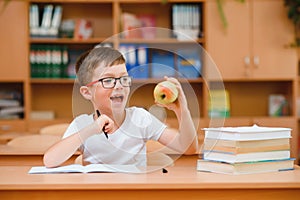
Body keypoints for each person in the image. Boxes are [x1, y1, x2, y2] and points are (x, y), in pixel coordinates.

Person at [43, 46, 198, 168]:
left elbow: (188, 148)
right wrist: (91, 129)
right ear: (87, 92)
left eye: (124, 78)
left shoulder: (140, 118)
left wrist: (182, 110)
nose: (119, 86)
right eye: (108, 80)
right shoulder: (82, 124)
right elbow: (50, 161)